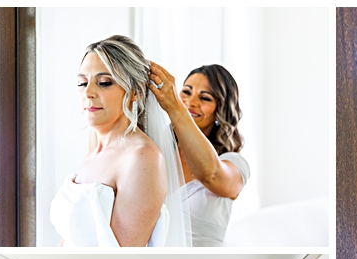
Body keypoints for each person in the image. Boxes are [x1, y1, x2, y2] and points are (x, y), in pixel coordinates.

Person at [51, 35, 188, 247]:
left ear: (135, 92)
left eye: (104, 83)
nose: (88, 93)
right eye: (82, 82)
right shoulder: (93, 151)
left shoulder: (143, 158)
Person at [149, 61, 248, 246]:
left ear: (221, 108)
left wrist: (176, 109)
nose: (190, 103)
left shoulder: (234, 163)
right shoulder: (156, 152)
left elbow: (210, 175)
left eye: (205, 98)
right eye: (186, 92)